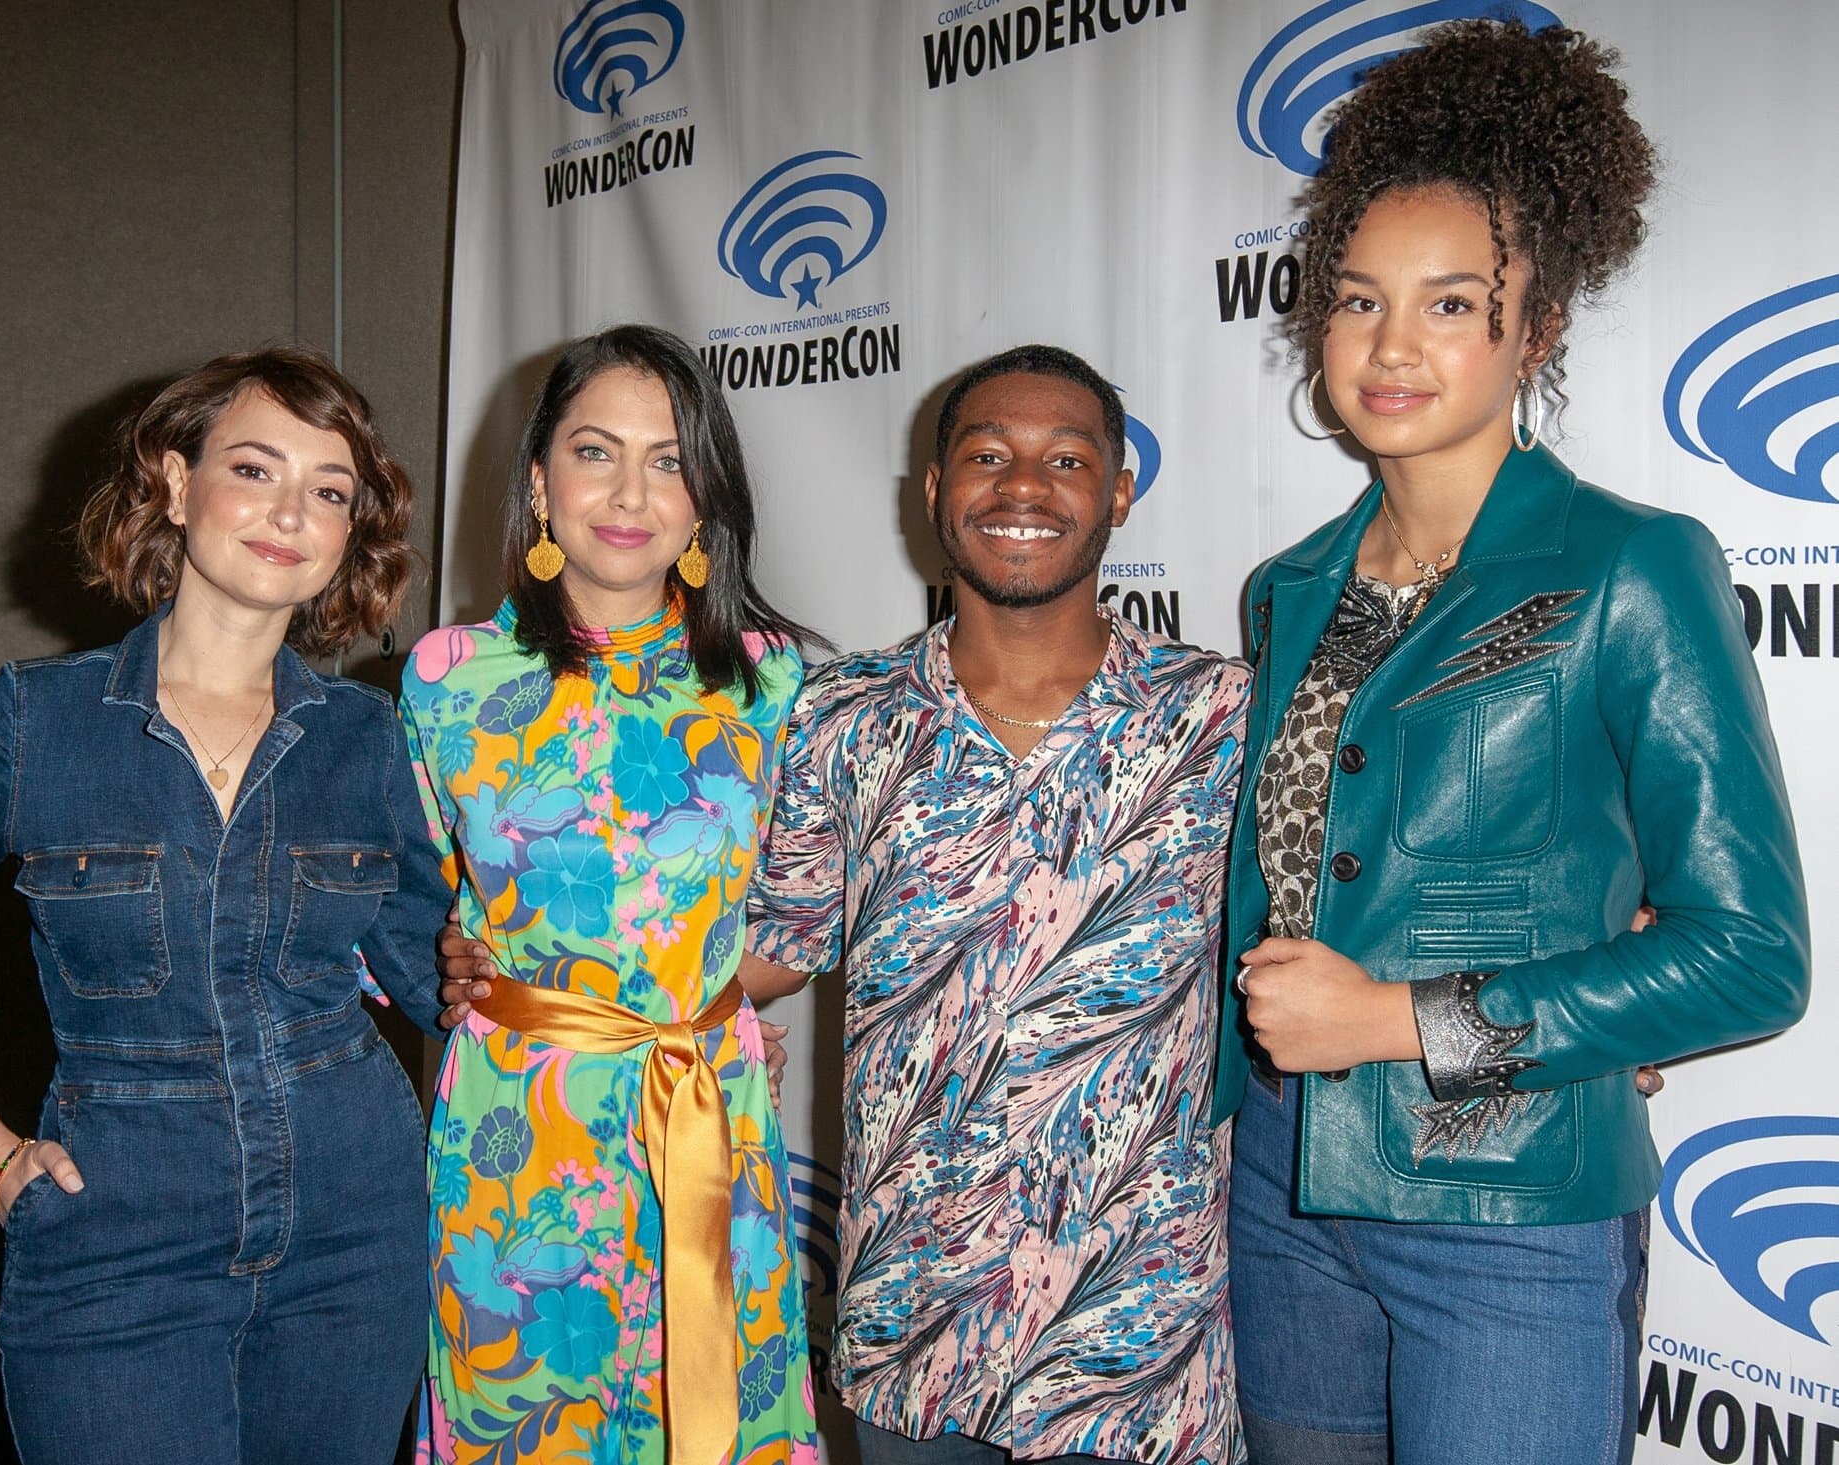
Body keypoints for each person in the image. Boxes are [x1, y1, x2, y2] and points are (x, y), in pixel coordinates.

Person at [1217, 22, 1810, 1465]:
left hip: (1510, 1213)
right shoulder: (1288, 589)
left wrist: (1410, 1021)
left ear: (1535, 328)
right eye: (1358, 302)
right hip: (1280, 1191)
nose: (1393, 345)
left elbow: (1750, 953)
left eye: (1450, 303)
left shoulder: (1633, 566)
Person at [0, 347, 455, 1463]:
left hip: (358, 1223)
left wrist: (655, 1020)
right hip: (114, 1230)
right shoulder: (27, 725)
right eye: (254, 470)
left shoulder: (366, 736)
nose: (289, 512)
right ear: (173, 479)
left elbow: (437, 975)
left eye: (330, 491)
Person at [717, 345, 1250, 1464]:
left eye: (1064, 458)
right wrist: (538, 975)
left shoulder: (1217, 717)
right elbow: (768, 944)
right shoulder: (840, 714)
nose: (1020, 487)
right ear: (933, 492)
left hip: (1133, 1337)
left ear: (1117, 492)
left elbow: (1338, 907)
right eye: (987, 455)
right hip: (915, 1319)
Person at [399, 324, 819, 1465]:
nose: (631, 491)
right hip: (517, 1137)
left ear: (705, 501)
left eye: (670, 458)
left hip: (706, 1112)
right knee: (527, 1415)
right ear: (538, 480)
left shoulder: (772, 677)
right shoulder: (445, 679)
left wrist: (727, 999)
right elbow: (391, 905)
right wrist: (436, 953)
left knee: (713, 1413)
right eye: (595, 451)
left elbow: (805, 909)